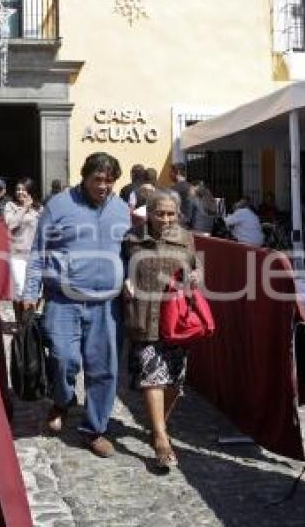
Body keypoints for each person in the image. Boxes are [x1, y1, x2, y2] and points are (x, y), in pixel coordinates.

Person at [22, 152, 130, 458]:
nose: (104, 186)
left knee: (104, 370)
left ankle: (94, 429)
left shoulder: (122, 209)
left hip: (106, 306)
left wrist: (132, 277)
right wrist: (31, 291)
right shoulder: (58, 206)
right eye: (98, 179)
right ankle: (63, 399)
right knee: (61, 358)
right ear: (84, 176)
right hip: (63, 300)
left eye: (110, 181)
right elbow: (38, 251)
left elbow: (131, 251)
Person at [122, 190, 202, 470]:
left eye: (170, 213)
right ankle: (160, 438)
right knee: (152, 376)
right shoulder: (131, 238)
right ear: (150, 212)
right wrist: (124, 281)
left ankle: (158, 425)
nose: (165, 219)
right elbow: (122, 267)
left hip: (176, 319)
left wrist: (194, 278)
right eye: (160, 213)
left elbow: (197, 270)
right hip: (144, 316)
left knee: (174, 383)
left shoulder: (186, 238)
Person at [3, 177, 41, 325]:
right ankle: (20, 323)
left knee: (35, 291)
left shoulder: (39, 208)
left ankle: (29, 324)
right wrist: (24, 207)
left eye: (23, 190)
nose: (20, 192)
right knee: (19, 290)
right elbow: (11, 224)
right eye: (18, 189)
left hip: (35, 255)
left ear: (30, 191)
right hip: (17, 254)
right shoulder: (10, 206)